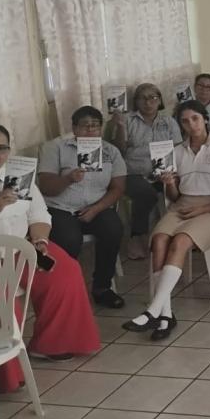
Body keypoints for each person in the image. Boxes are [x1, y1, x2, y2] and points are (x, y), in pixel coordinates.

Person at [123, 101, 210, 341]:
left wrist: (205, 208)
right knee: (159, 239)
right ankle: (165, 315)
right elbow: (175, 197)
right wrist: (169, 184)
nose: (191, 125)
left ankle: (153, 310)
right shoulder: (176, 152)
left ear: (205, 119)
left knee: (179, 241)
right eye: (185, 121)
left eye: (195, 118)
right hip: (182, 206)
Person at [0, 123, 100, 387]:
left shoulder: (19, 174)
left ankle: (51, 343)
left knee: (65, 270)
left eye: (1, 148)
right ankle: (7, 373)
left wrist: (40, 241)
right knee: (2, 301)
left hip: (23, 247)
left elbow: (39, 213)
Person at [38, 106, 127, 308]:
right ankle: (68, 290)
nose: (90, 130)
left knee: (113, 229)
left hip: (97, 207)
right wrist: (68, 178)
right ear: (74, 128)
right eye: (85, 126)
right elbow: (46, 187)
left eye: (95, 126)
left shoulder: (110, 151)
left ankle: (102, 287)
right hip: (60, 207)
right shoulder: (55, 147)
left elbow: (118, 188)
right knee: (69, 239)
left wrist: (96, 208)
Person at [108, 82, 182, 260]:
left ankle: (177, 234)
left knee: (183, 189)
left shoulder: (168, 121)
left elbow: (179, 148)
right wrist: (120, 127)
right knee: (146, 194)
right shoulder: (127, 120)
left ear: (160, 100)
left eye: (153, 98)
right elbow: (119, 151)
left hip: (163, 171)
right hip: (133, 173)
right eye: (143, 98)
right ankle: (137, 236)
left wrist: (171, 173)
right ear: (136, 101)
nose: (148, 102)